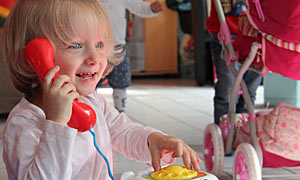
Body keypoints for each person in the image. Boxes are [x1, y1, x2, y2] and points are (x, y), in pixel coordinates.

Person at [1, 0, 201, 179]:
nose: (94, 58)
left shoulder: (93, 102)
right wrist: (57, 125)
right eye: (76, 45)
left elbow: (124, 131)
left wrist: (153, 140)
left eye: (99, 44)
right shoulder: (24, 123)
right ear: (34, 57)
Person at [97, 0, 162, 112]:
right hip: (94, 48)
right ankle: (92, 109)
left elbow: (139, 6)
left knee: (121, 82)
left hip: (118, 47)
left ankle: (120, 110)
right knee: (90, 81)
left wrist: (151, 9)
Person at [206, 0, 262, 125]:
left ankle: (245, 131)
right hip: (225, 31)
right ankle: (224, 133)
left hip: (257, 33)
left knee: (250, 90)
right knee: (227, 89)